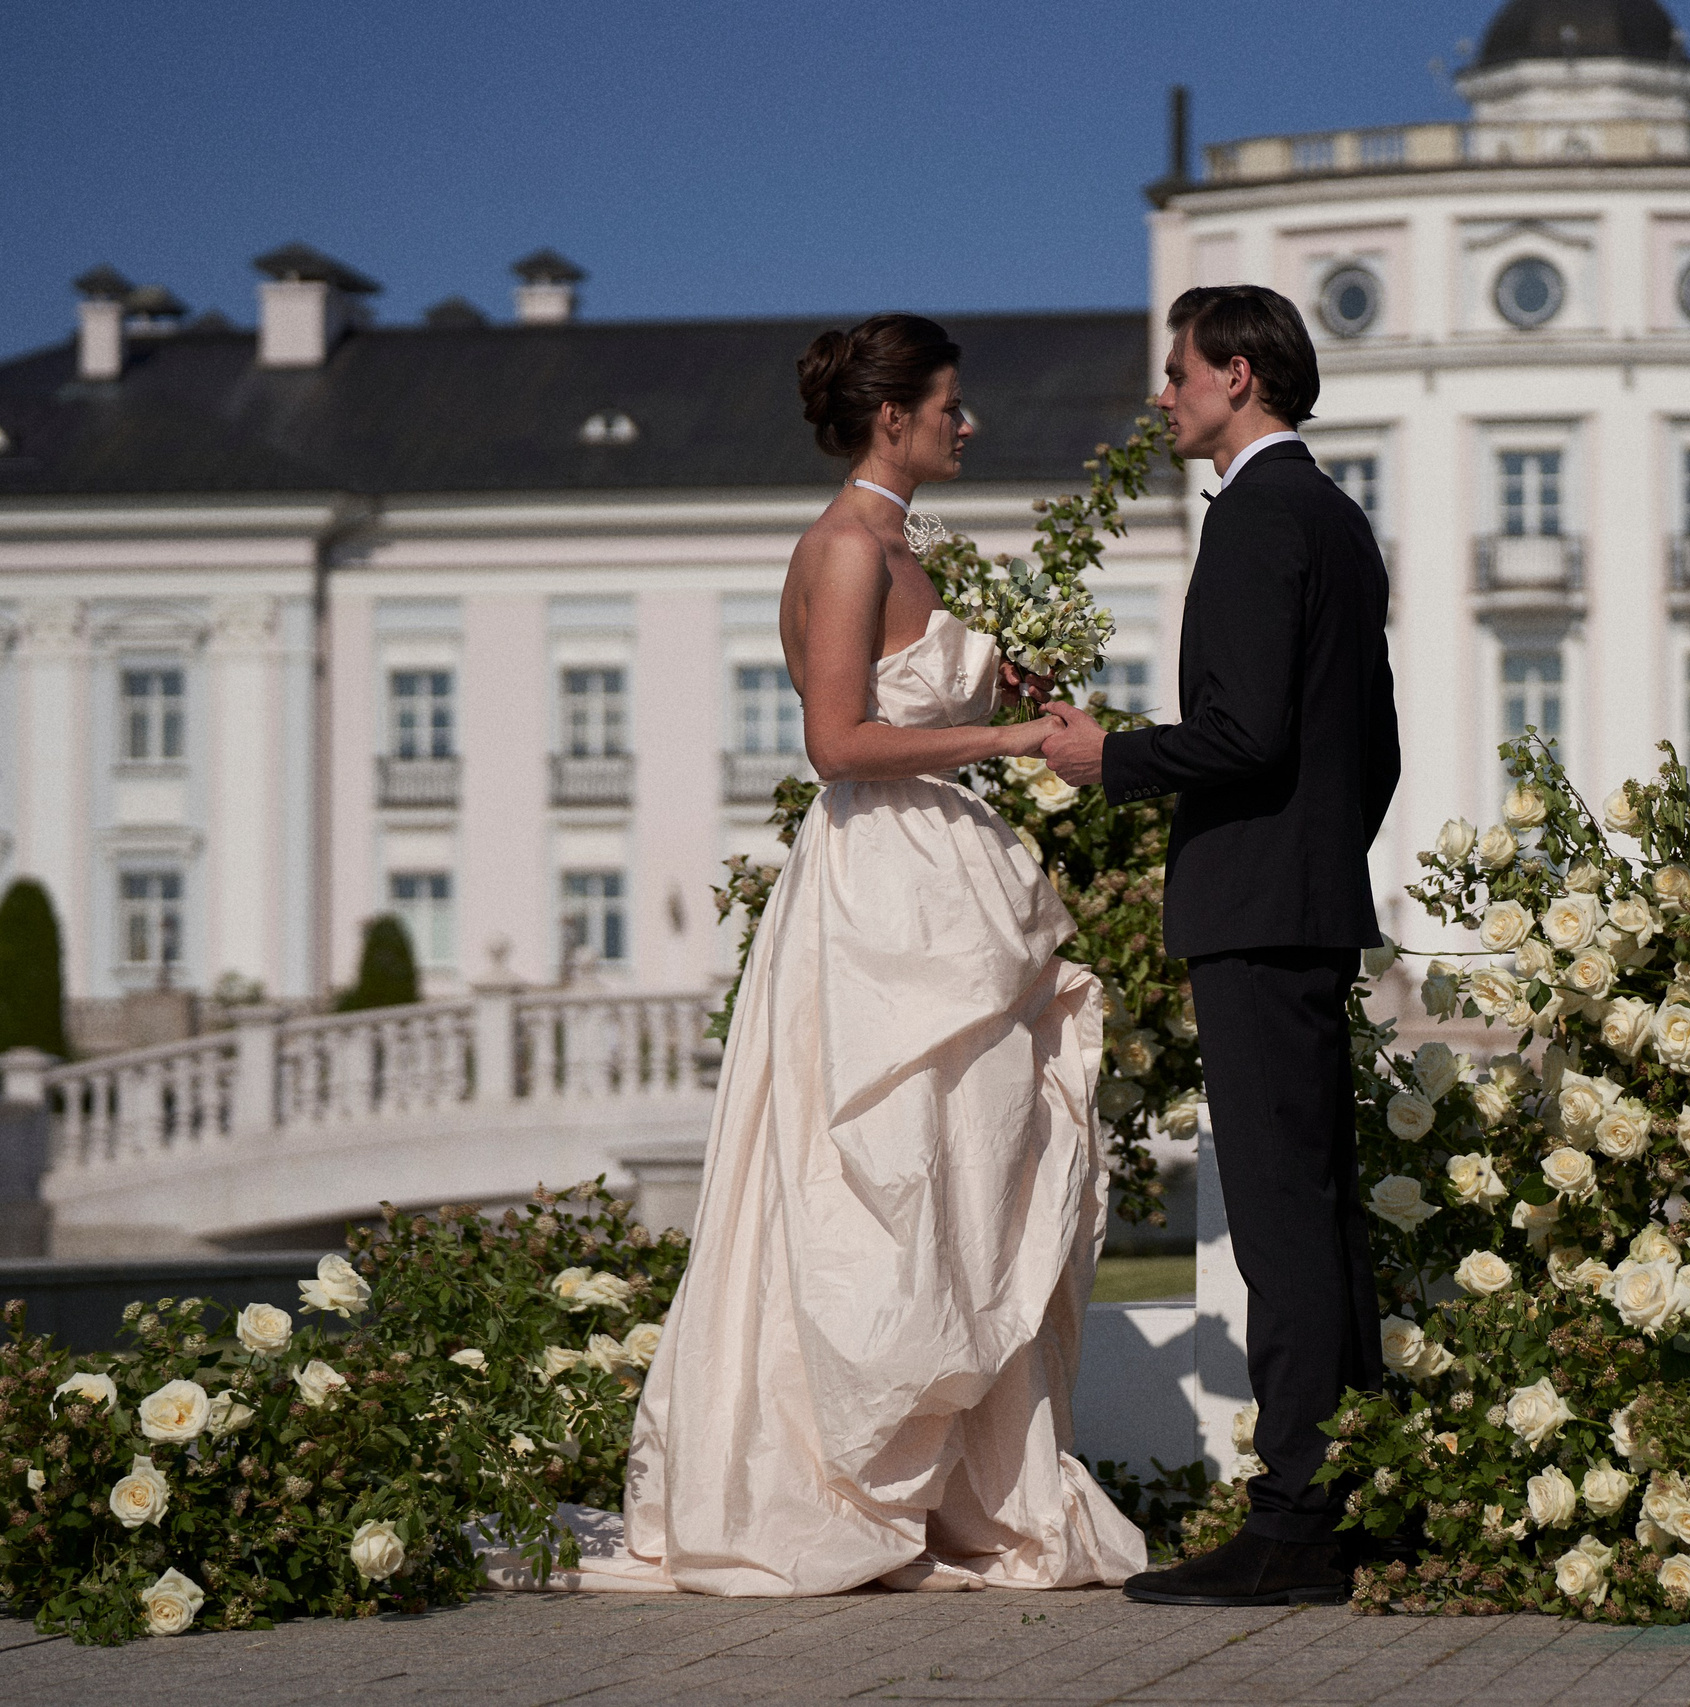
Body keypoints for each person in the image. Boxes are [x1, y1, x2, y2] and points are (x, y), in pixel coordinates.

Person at [489, 313, 1146, 1596]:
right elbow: (836, 743)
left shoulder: (901, 543)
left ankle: (945, 1483)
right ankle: (847, 1475)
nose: (969, 423)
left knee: (970, 1170)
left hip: (945, 883)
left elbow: (909, 693)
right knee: (884, 1163)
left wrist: (997, 685)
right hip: (883, 892)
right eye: (950, 404)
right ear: (891, 415)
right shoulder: (845, 544)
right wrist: (1006, 747)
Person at [1041, 284, 1402, 1608]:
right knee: (1315, 1206)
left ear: (1239, 374)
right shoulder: (1338, 519)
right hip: (1304, 901)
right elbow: (1374, 746)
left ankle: (1298, 1516)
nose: (1164, 393)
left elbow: (1246, 733)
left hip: (1255, 912)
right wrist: (1317, 856)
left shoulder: (1258, 519)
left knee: (1279, 1217)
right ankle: (1351, 1493)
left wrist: (1107, 757)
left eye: (1179, 370)